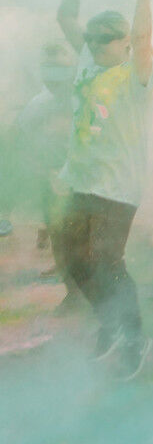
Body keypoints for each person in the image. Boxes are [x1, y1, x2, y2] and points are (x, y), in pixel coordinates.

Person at [53, 0, 153, 380]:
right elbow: (65, 15)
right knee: (76, 262)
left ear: (127, 44)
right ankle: (111, 322)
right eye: (93, 38)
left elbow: (141, 32)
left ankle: (135, 336)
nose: (97, 44)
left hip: (118, 186)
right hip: (82, 181)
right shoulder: (88, 61)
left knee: (105, 260)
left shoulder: (138, 77)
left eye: (108, 39)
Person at [15, 43, 77, 298]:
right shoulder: (38, 105)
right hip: (51, 179)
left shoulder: (82, 98)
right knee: (57, 229)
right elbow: (27, 142)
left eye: (60, 70)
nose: (53, 78)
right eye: (48, 70)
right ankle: (68, 277)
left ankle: (77, 286)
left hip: (81, 179)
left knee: (79, 233)